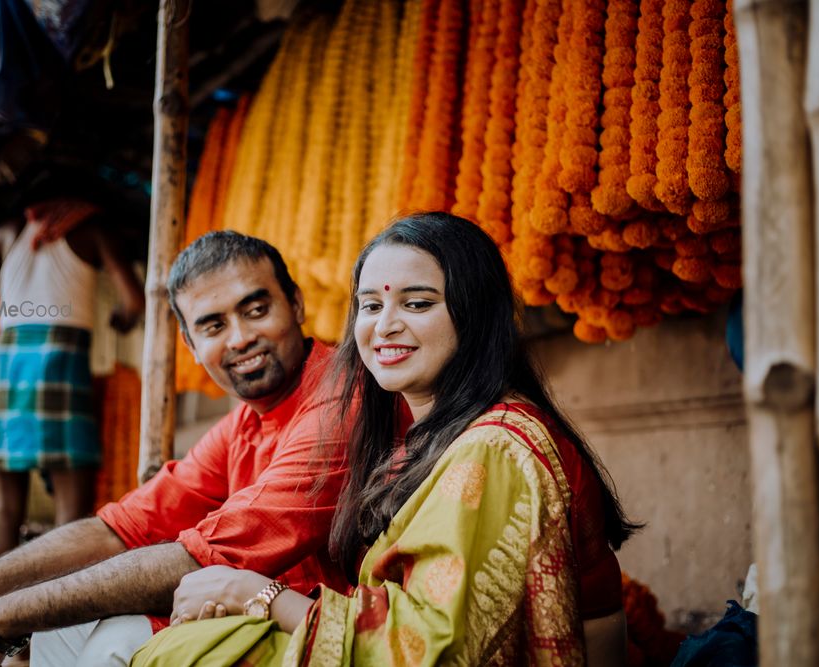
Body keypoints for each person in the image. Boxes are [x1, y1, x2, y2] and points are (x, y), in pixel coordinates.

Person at [132, 212, 636, 666]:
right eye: (370, 305)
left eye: (417, 303)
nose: (384, 327)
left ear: (475, 313)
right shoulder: (421, 438)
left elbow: (431, 648)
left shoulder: (496, 448)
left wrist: (258, 595)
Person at [0, 231, 349, 667]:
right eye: (214, 325)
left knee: (111, 642)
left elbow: (197, 558)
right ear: (190, 346)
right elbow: (119, 529)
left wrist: (0, 618)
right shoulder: (243, 424)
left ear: (298, 305)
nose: (240, 337)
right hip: (268, 622)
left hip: (336, 637)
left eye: (256, 310)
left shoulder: (338, 401)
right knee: (61, 634)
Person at [0, 197, 146, 559]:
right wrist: (121, 320)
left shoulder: (7, 231)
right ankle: (62, 611)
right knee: (71, 515)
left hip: (8, 365)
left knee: (6, 510)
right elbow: (134, 301)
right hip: (62, 360)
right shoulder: (92, 229)